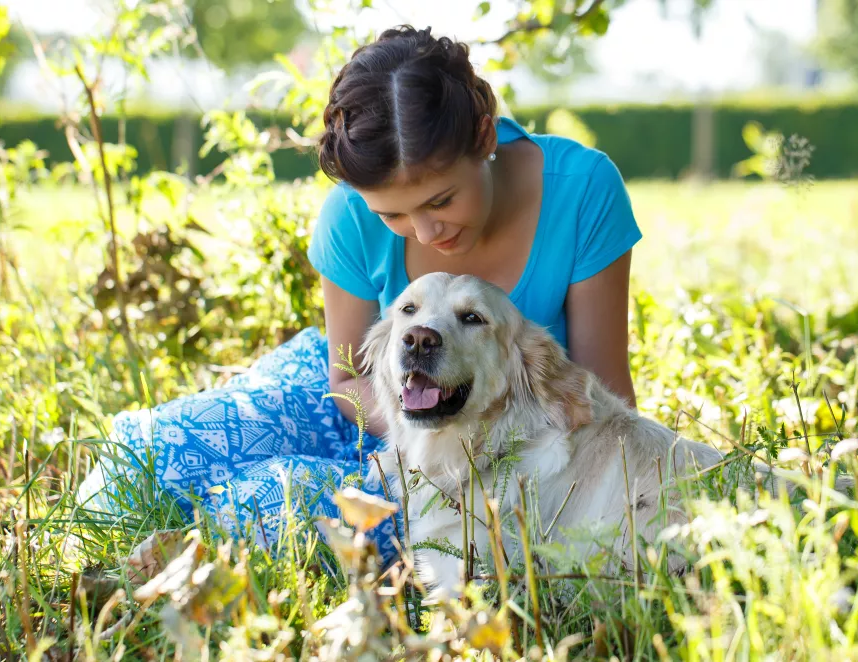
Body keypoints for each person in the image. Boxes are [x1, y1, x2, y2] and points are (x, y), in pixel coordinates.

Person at [77, 25, 642, 567]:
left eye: (442, 201)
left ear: (486, 138)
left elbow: (603, 399)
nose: (425, 232)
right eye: (392, 214)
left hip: (503, 443)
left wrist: (464, 435)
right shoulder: (349, 214)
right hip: (367, 394)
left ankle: (192, 543)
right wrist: (419, 418)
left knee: (279, 510)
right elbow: (345, 378)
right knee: (155, 457)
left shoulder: (582, 189)